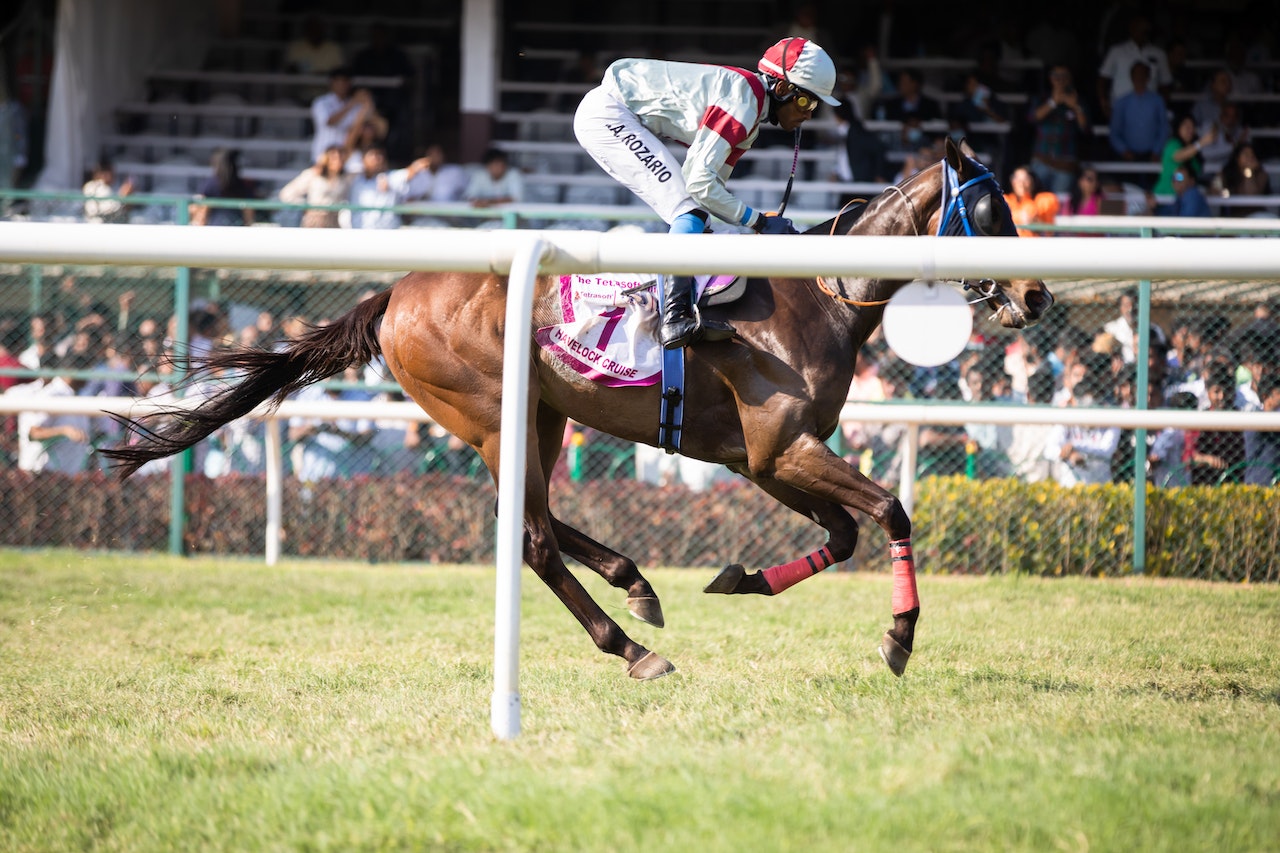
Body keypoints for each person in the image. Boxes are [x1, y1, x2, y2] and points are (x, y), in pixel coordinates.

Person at [573, 36, 838, 349]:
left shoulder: (749, 112)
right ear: (782, 89)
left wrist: (754, 221)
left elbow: (711, 191)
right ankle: (674, 318)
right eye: (807, 101)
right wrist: (759, 223)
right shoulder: (744, 100)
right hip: (610, 115)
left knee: (697, 216)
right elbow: (699, 185)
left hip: (617, 114)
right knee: (689, 212)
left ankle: (686, 308)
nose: (809, 114)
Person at [1026, 64, 1089, 196]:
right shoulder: (1042, 98)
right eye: (1057, 76)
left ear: (1070, 79)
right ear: (1050, 78)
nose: (1060, 80)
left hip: (1064, 165)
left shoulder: (1078, 100)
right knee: (1035, 202)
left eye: (1064, 77)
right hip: (1041, 161)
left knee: (1060, 208)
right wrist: (1053, 102)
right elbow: (1032, 118)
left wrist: (1075, 107)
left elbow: (1085, 129)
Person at [1096, 12, 1172, 119]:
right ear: (1131, 29)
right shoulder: (1117, 52)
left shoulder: (1159, 54)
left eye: (1146, 29)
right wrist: (1104, 103)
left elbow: (1165, 84)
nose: (1143, 32)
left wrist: (1160, 108)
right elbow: (1103, 79)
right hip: (1120, 109)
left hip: (1149, 111)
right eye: (1139, 28)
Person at [347, 147, 432, 229]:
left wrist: (425, 162)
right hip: (359, 233)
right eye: (372, 155)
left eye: (379, 156)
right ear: (363, 160)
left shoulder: (390, 177)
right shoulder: (355, 180)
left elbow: (411, 171)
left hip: (386, 234)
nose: (376, 159)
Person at [278, 146, 352, 228]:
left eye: (340, 158)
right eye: (334, 158)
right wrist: (306, 206)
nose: (338, 162)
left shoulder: (344, 179)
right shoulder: (313, 174)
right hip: (314, 222)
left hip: (333, 222)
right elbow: (286, 194)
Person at [1108, 62, 1167, 163]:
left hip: (1152, 155)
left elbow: (1164, 128)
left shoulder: (1158, 101)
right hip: (1127, 156)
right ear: (1131, 77)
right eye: (1136, 74)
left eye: (1142, 74)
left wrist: (1156, 151)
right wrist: (1124, 150)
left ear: (1148, 78)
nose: (1139, 78)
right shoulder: (1121, 103)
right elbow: (1114, 132)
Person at [309, 68, 370, 164]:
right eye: (338, 81)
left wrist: (367, 104)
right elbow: (330, 121)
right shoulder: (321, 102)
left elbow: (358, 128)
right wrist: (352, 103)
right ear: (331, 83)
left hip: (345, 157)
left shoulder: (357, 105)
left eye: (345, 82)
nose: (342, 85)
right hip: (322, 155)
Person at [1153, 114, 1215, 205]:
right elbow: (1179, 158)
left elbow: (1193, 177)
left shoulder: (1194, 153)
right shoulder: (1172, 144)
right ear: (1178, 127)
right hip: (1166, 198)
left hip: (1186, 200)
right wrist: (1201, 143)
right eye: (1186, 126)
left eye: (1192, 127)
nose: (1189, 130)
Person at [190, 149, 258, 226]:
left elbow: (201, 214)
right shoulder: (242, 185)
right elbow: (248, 216)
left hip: (220, 228)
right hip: (232, 228)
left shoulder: (211, 184)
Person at [1218, 141, 1272, 218]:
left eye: (1252, 155)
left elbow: (1251, 195)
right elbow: (1214, 190)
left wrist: (1249, 171)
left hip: (1256, 215)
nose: (1249, 158)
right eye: (1246, 154)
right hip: (1233, 216)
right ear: (1237, 158)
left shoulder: (1261, 174)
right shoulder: (1227, 173)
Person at [1004, 165, 1059, 237]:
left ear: (1033, 181)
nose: (1021, 183)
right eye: (1017, 179)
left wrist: (1035, 222)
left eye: (1025, 179)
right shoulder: (1005, 200)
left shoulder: (1045, 200)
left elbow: (1049, 230)